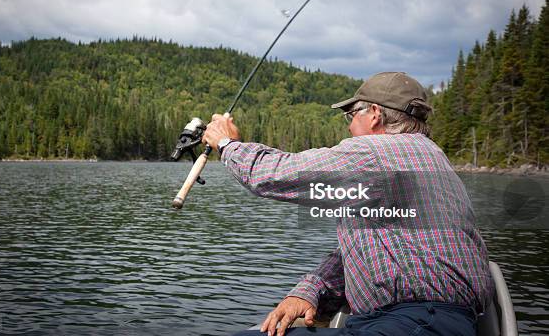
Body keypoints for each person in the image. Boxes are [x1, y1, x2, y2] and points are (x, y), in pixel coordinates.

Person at [202, 72, 493, 336]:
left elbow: (271, 175)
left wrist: (228, 144)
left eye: (351, 115)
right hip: (429, 322)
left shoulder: (376, 153)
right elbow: (370, 248)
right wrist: (310, 290)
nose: (350, 126)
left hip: (412, 323)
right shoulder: (434, 158)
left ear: (375, 114)